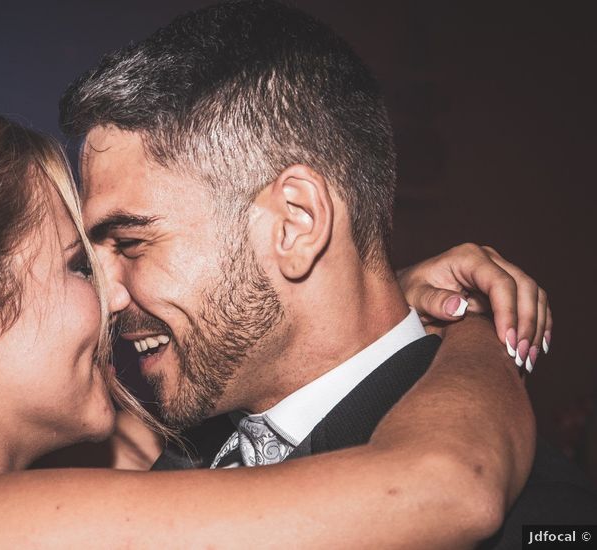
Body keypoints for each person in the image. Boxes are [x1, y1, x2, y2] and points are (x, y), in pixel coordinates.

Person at [0, 65, 542, 549]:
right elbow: (445, 487)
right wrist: (467, 327)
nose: (116, 296)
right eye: (81, 264)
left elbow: (164, 449)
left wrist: (372, 287)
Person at [58, 1, 596, 546]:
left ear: (296, 223)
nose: (106, 296)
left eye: (130, 242)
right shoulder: (179, 450)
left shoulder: (541, 515)